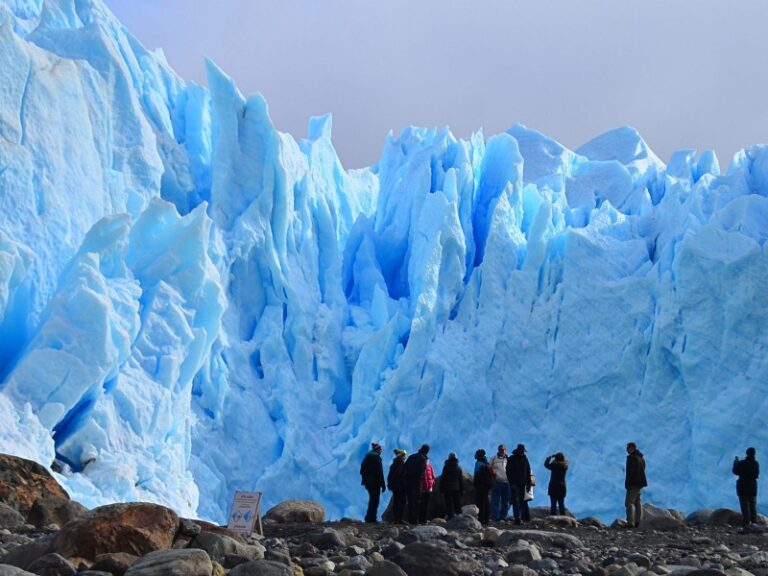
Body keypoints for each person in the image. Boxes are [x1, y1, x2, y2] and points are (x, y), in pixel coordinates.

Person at [360, 442, 386, 523]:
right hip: (375, 483)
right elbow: (380, 473)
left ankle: (369, 517)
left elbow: (362, 471)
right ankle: (372, 518)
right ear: (377, 450)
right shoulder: (376, 458)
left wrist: (366, 479)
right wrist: (383, 484)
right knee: (375, 500)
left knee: (372, 500)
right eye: (380, 449)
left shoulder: (367, 458)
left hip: (368, 483)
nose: (381, 451)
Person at [733, 447, 760, 526]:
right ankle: (754, 523)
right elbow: (756, 474)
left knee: (744, 506)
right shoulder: (756, 463)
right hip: (752, 487)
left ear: (747, 453)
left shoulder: (742, 463)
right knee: (753, 506)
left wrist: (735, 463)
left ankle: (746, 524)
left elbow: (735, 471)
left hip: (742, 487)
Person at [506, 443, 532, 524]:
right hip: (515, 484)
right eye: (521, 451)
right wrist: (512, 483)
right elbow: (508, 472)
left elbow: (528, 472)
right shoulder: (512, 459)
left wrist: (528, 484)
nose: (522, 452)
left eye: (523, 451)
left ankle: (522, 518)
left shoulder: (525, 459)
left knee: (521, 501)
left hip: (523, 484)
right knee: (515, 501)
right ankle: (517, 517)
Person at [404, 444, 429, 524]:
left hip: (408, 481)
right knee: (416, 500)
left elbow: (405, 467)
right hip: (416, 482)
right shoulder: (423, 459)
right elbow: (421, 471)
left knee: (410, 500)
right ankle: (414, 519)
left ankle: (410, 518)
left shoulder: (411, 456)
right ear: (427, 451)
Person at [625, 442, 647, 528]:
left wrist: (628, 483)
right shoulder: (641, 458)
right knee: (637, 502)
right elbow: (643, 469)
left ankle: (630, 523)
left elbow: (631, 472)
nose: (626, 450)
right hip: (640, 484)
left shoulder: (632, 458)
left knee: (629, 502)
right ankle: (638, 522)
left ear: (632, 448)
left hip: (633, 484)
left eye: (628, 448)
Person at [440, 452, 465, 519]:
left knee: (449, 503)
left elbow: (443, 478)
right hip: (456, 488)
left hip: (447, 488)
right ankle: (459, 515)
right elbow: (460, 480)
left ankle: (450, 516)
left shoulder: (446, 467)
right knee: (457, 502)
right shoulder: (458, 467)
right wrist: (462, 490)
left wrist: (441, 488)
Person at [489, 444, 511, 521]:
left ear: (505, 450)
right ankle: (495, 517)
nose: (502, 451)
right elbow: (489, 468)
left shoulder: (509, 459)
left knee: (506, 501)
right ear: (498, 450)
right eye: (500, 449)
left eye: (503, 449)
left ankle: (503, 517)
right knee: (495, 501)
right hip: (497, 482)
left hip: (507, 483)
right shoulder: (493, 458)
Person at [473, 449, 493, 525]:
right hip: (487, 485)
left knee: (481, 502)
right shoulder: (486, 463)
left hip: (480, 485)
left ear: (478, 456)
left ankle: (481, 519)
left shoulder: (478, 464)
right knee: (486, 502)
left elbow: (477, 475)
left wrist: (475, 484)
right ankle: (486, 519)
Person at [387, 448, 408, 523]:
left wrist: (391, 485)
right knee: (402, 502)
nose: (405, 456)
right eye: (404, 455)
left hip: (395, 487)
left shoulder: (394, 464)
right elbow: (400, 475)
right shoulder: (400, 463)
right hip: (401, 487)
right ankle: (399, 519)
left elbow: (390, 476)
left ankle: (396, 518)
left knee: (396, 502)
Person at [419, 454, 436, 523]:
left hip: (424, 489)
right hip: (427, 488)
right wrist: (432, 483)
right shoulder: (429, 466)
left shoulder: (423, 467)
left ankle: (422, 519)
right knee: (425, 504)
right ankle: (423, 519)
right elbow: (433, 476)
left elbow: (431, 476)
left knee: (423, 504)